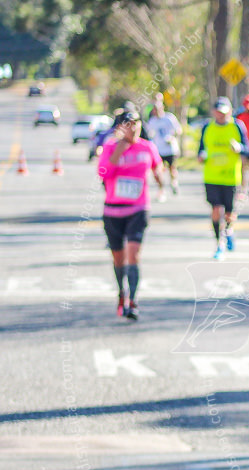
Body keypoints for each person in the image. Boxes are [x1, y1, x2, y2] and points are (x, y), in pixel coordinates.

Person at [96, 109, 164, 321]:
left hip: (138, 209)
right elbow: (103, 173)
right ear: (120, 128)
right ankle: (121, 292)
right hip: (113, 211)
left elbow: (157, 166)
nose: (133, 128)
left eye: (136, 123)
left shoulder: (147, 147)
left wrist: (161, 184)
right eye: (128, 124)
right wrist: (120, 150)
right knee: (119, 259)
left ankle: (133, 301)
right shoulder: (109, 148)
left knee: (133, 255)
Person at [198, 96, 248, 259]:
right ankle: (219, 243)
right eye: (218, 112)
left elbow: (248, 149)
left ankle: (229, 230)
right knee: (215, 210)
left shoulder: (237, 126)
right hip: (211, 176)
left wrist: (239, 148)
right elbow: (201, 149)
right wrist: (201, 156)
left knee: (229, 213)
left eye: (224, 113)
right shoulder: (207, 127)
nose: (221, 115)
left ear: (230, 112)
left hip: (231, 177)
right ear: (214, 112)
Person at [143, 94, 183, 199]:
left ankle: (174, 183)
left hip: (170, 149)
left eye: (158, 108)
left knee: (172, 168)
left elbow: (178, 130)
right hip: (159, 150)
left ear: (162, 108)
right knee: (158, 171)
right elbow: (149, 135)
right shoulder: (152, 121)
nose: (156, 111)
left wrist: (172, 137)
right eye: (154, 109)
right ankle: (161, 190)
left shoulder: (169, 118)